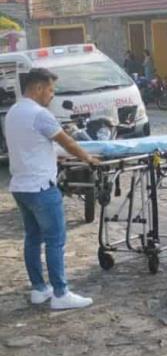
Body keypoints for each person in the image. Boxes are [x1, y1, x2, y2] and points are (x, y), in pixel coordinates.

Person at [5, 68, 100, 310]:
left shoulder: (14, 112)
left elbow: (34, 145)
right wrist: (88, 158)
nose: (51, 95)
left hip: (20, 186)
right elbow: (66, 142)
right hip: (41, 187)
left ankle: (39, 288)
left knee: (32, 238)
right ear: (37, 88)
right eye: (50, 90)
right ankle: (61, 293)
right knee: (55, 240)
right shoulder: (40, 114)